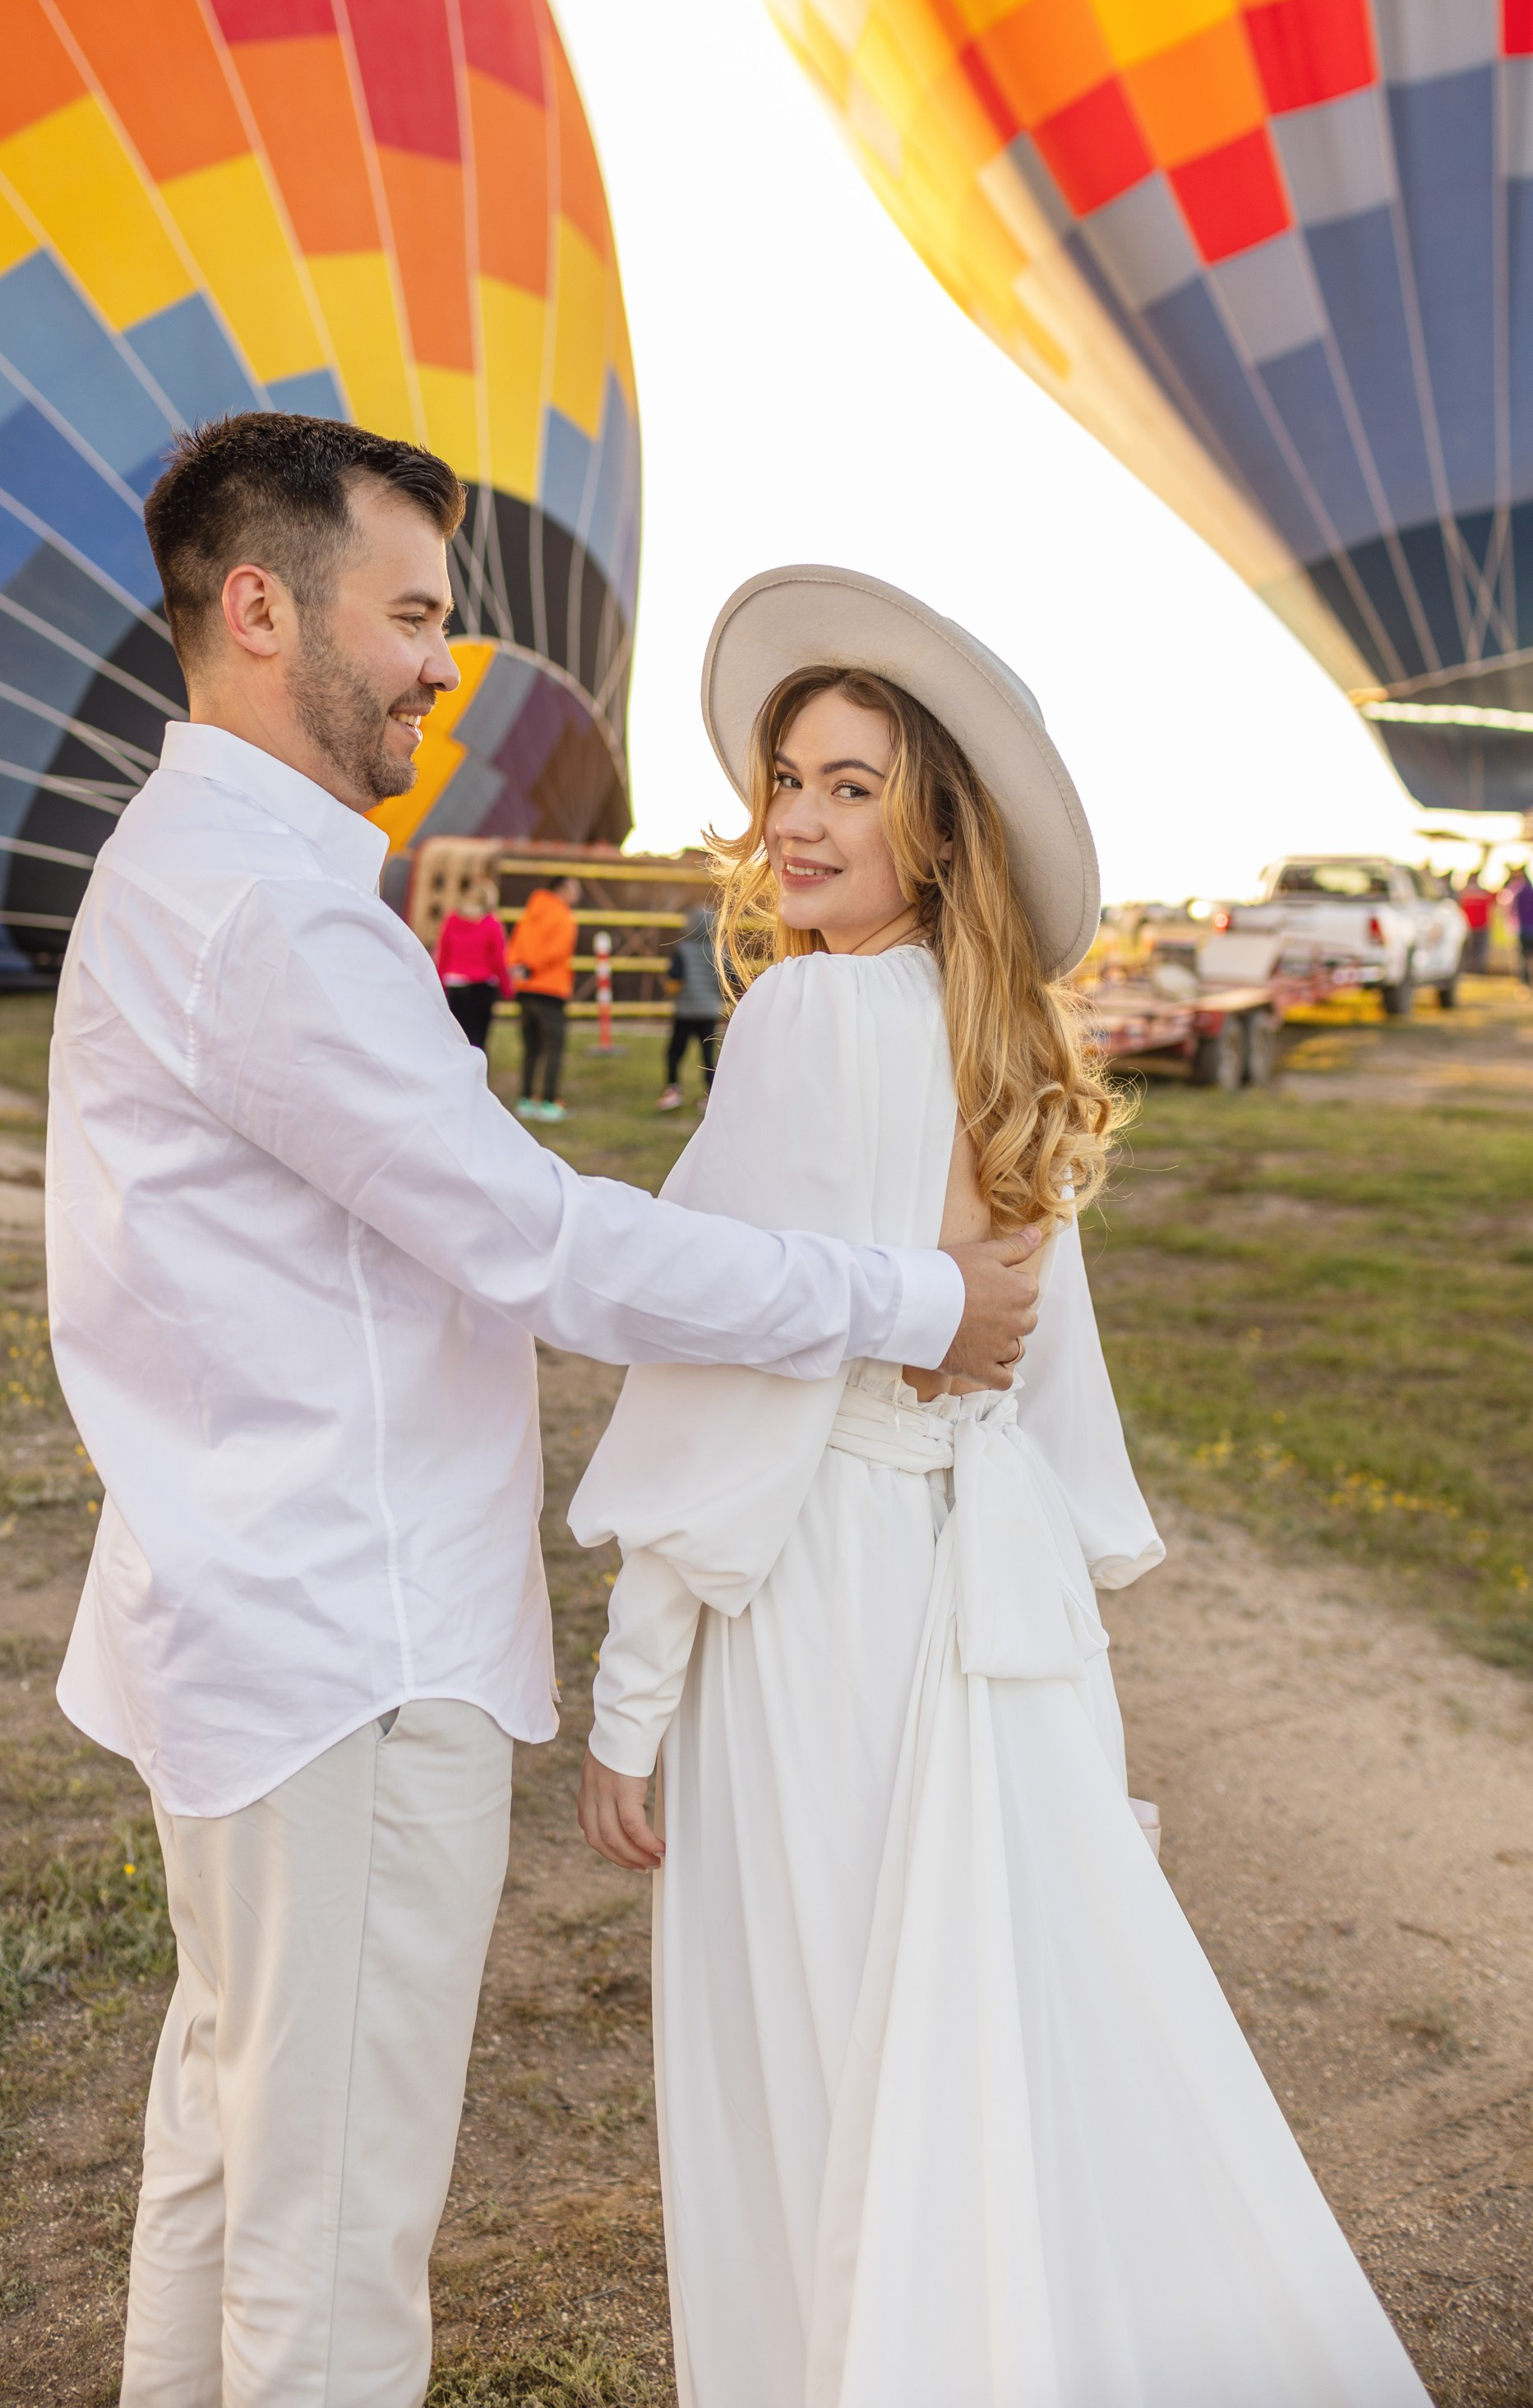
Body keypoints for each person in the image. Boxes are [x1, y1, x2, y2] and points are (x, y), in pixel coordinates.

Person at [46, 433, 1041, 2408]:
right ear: (264, 609)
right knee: (324, 2250)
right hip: (350, 1644)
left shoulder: (194, 875)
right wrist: (910, 1296)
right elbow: (547, 1251)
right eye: (410, 613)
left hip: (241, 1619)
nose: (441, 662)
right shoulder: (273, 921)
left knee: (231, 2165)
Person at [573, 566, 1431, 2408]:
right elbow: (1040, 1391)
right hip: (981, 1605)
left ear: (936, 835)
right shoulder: (997, 1052)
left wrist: (630, 1700)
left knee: (816, 2049)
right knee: (990, 2041)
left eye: (850, 786)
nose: (794, 818)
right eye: (786, 778)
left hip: (819, 1607)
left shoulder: (808, 1023)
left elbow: (724, 1374)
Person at [510, 874, 579, 1119]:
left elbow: (514, 948)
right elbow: (558, 951)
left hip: (525, 988)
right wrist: (534, 967)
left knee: (531, 1048)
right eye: (573, 889)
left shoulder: (528, 914)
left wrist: (522, 968)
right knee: (554, 1048)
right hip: (551, 990)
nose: (576, 895)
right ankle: (549, 1101)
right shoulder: (564, 916)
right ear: (562, 889)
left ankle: (526, 1099)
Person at [658, 902, 724, 1111]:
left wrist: (671, 991)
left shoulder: (683, 950)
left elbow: (675, 980)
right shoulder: (718, 952)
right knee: (707, 1056)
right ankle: (709, 1096)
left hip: (685, 1012)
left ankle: (673, 1090)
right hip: (708, 1012)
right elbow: (728, 978)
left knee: (675, 1052)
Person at [435, 875, 511, 1052]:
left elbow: (443, 954)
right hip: (482, 986)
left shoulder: (452, 920)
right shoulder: (491, 923)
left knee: (457, 1040)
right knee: (479, 1042)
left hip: (456, 984)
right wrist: (507, 988)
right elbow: (498, 959)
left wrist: (439, 986)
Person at [1459, 873, 1494, 974]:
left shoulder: (1483, 892)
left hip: (1482, 925)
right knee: (1469, 950)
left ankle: (1477, 969)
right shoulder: (1464, 892)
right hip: (1469, 926)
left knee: (1479, 950)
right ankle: (1469, 969)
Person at [1512, 866, 1533, 985]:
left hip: (1524, 929)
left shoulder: (1518, 892)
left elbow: (1514, 911)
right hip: (1529, 928)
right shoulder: (1530, 891)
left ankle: (1525, 982)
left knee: (1524, 957)